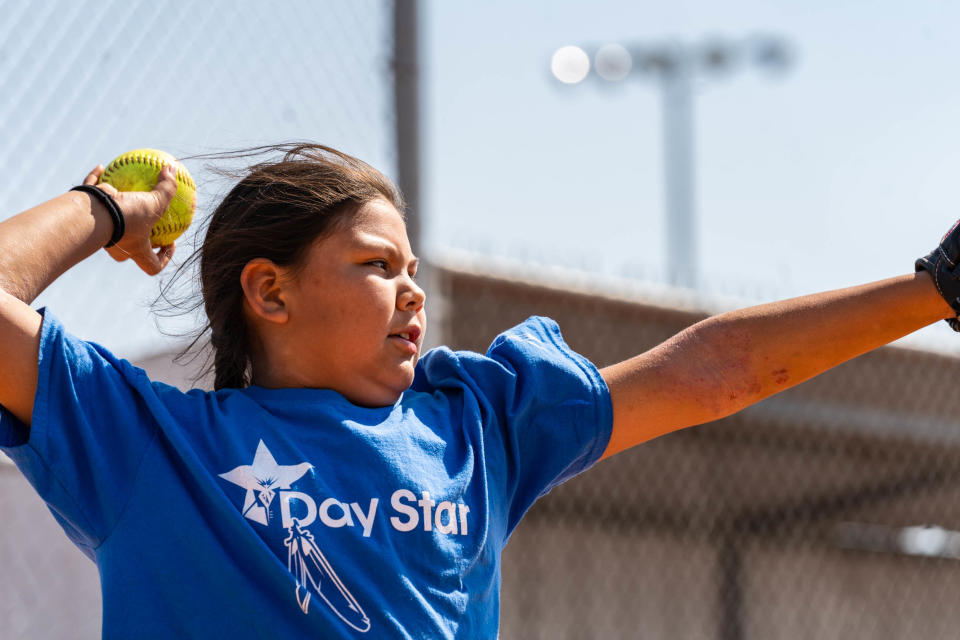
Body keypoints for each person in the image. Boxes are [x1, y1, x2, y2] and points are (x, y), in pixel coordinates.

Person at [0, 142, 956, 639]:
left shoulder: (476, 427)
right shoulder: (145, 442)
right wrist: (108, 210)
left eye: (412, 264)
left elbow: (714, 372)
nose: (412, 288)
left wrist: (937, 290)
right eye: (377, 264)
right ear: (270, 289)